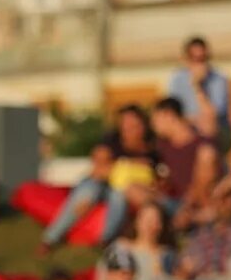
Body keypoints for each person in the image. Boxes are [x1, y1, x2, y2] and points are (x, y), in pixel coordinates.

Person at [40, 104, 152, 250]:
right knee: (89, 192)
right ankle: (50, 238)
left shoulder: (151, 147)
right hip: (98, 183)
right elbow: (98, 169)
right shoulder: (112, 140)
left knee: (118, 195)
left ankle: (105, 241)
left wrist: (119, 169)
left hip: (122, 188)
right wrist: (124, 168)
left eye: (134, 124)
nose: (129, 127)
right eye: (125, 123)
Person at [148, 96, 221, 233]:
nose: (153, 125)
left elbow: (205, 181)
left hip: (200, 204)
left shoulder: (203, 144)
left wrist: (187, 206)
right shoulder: (161, 146)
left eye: (156, 119)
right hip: (174, 203)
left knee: (206, 156)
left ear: (168, 115)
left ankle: (195, 221)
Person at [166, 36, 231, 149]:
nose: (199, 64)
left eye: (202, 59)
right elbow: (173, 114)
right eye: (194, 59)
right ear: (186, 59)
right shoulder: (177, 79)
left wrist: (198, 86)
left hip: (214, 133)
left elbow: (213, 116)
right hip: (187, 131)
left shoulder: (219, 79)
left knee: (208, 128)